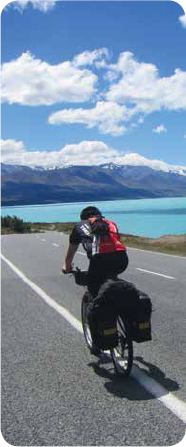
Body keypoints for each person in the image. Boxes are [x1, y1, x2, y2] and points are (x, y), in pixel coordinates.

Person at [62, 206, 129, 297]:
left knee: (94, 290)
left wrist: (67, 266)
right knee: (112, 279)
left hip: (99, 261)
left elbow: (71, 251)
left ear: (83, 218)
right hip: (122, 260)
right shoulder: (111, 223)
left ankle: (97, 307)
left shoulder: (80, 225)